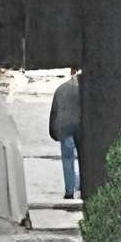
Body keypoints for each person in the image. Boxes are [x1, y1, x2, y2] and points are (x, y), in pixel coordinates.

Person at [49, 68, 83, 201]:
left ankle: (69, 191)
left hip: (65, 129)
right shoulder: (86, 89)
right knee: (82, 159)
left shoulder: (61, 89)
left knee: (68, 160)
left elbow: (54, 112)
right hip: (81, 129)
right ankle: (81, 186)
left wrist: (53, 131)